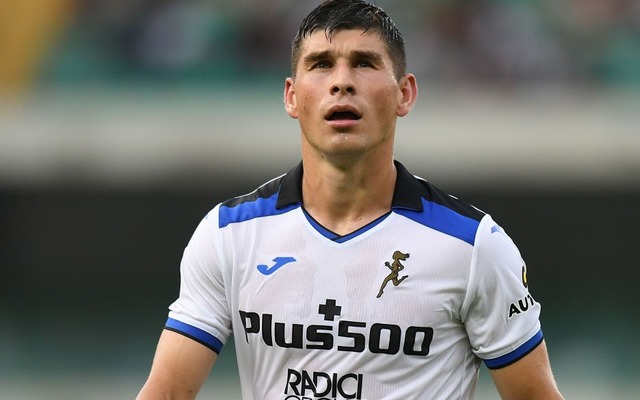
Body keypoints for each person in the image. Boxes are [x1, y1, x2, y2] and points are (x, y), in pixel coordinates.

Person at [136, 1, 564, 399]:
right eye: (321, 64)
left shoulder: (473, 246)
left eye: (364, 63)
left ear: (404, 94)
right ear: (291, 96)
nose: (341, 82)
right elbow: (167, 392)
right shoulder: (229, 234)